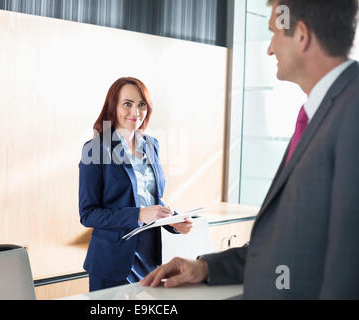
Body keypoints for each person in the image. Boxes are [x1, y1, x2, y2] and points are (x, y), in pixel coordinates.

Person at [141, 0, 359, 299]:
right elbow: (287, 246)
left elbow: (347, 269)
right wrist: (205, 268)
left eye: (273, 34)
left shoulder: (352, 113)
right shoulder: (320, 113)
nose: (269, 49)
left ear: (302, 36)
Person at [79, 77, 193, 292]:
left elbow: (151, 199)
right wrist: (139, 215)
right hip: (112, 260)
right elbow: (88, 214)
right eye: (127, 104)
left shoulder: (152, 144)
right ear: (114, 107)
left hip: (150, 258)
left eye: (141, 105)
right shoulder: (95, 149)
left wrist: (173, 219)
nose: (136, 112)